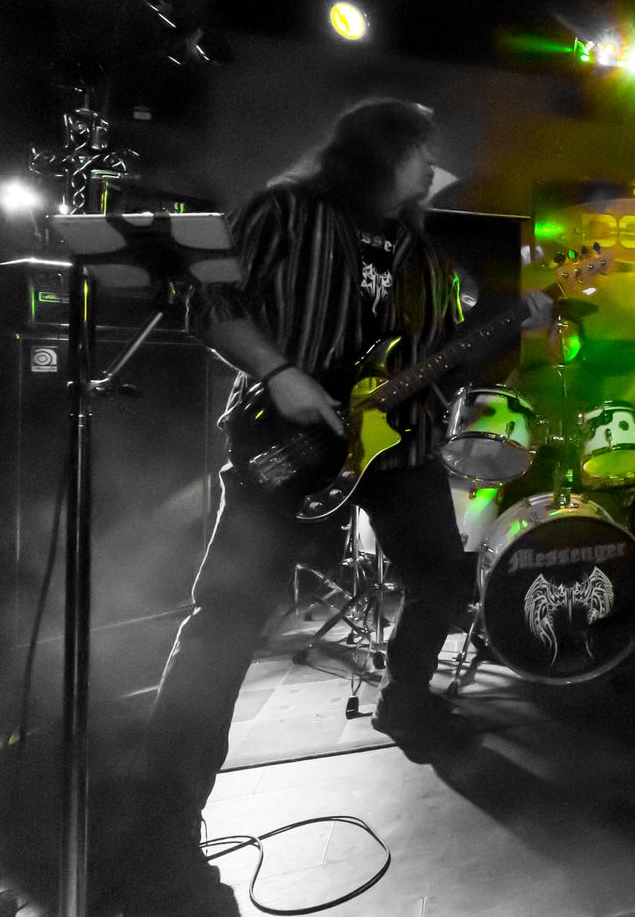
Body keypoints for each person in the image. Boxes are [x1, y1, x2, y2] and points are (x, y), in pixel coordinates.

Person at [119, 99, 551, 916]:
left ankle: (406, 698)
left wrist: (510, 326)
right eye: (421, 150)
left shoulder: (424, 256)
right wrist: (278, 370)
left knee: (444, 579)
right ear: (380, 150)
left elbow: (441, 365)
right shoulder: (288, 211)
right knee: (225, 621)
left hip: (400, 450)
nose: (432, 167)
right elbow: (207, 300)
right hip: (287, 437)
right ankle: (161, 833)